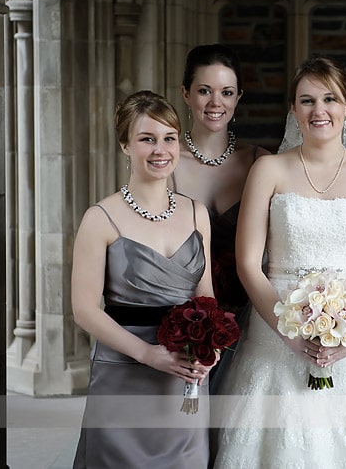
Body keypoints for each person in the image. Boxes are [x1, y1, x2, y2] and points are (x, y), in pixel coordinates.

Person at [213, 56, 346, 468]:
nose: (318, 110)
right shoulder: (268, 170)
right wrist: (287, 332)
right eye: (306, 101)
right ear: (293, 109)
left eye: (329, 99)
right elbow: (248, 263)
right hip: (274, 339)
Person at [71, 90, 217, 468]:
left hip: (183, 376)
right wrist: (147, 354)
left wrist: (211, 349)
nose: (160, 150)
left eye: (169, 138)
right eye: (146, 139)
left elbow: (206, 296)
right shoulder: (99, 218)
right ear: (125, 144)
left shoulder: (197, 213)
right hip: (124, 374)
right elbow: (84, 310)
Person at [174, 43, 269, 392]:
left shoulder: (261, 161)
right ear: (186, 94)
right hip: (183, 313)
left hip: (250, 311)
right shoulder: (164, 161)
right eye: (204, 91)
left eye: (226, 92)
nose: (216, 103)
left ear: (238, 97)